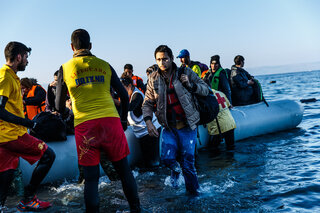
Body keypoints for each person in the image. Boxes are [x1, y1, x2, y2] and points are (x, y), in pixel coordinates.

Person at [55, 29, 140, 212]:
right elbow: (125, 97)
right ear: (91, 46)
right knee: (124, 171)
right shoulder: (105, 65)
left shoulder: (65, 68)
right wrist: (123, 121)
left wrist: (66, 113)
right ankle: (136, 209)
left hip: (85, 126)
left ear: (71, 47)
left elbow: (58, 105)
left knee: (91, 178)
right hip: (111, 122)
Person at [143, 45, 210, 195]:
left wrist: (190, 84)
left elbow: (206, 89)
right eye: (158, 60)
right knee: (166, 159)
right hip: (169, 128)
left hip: (187, 126)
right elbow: (147, 102)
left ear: (172, 59)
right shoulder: (153, 79)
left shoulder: (185, 72)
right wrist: (148, 121)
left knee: (188, 164)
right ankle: (175, 176)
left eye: (165, 59)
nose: (162, 63)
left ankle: (194, 196)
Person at [0, 41, 55, 211]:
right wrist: (29, 123)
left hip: (6, 135)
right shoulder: (5, 77)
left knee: (8, 170)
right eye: (25, 57)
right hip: (12, 135)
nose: (27, 61)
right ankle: (28, 198)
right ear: (18, 57)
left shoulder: (11, 76)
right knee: (48, 155)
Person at [121, 76, 161, 168]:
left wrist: (116, 103)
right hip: (143, 133)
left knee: (153, 162)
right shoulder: (130, 95)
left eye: (123, 89)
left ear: (130, 86)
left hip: (150, 130)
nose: (121, 92)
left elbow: (131, 107)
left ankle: (158, 180)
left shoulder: (137, 95)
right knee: (147, 161)